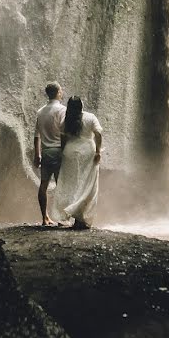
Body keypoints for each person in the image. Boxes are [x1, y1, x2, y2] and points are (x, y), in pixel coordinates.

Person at [53, 96, 103, 229]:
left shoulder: (66, 119)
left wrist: (63, 153)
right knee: (87, 185)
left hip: (70, 152)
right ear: (81, 105)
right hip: (87, 152)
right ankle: (79, 218)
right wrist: (98, 151)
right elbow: (98, 133)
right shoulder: (90, 117)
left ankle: (66, 213)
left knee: (69, 184)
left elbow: (63, 139)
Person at [34, 81, 66, 226]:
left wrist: (37, 154)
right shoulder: (62, 110)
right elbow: (64, 133)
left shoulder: (40, 111)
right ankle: (62, 218)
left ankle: (44, 218)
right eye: (61, 90)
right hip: (59, 151)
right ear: (58, 92)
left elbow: (37, 135)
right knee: (62, 186)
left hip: (46, 152)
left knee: (43, 185)